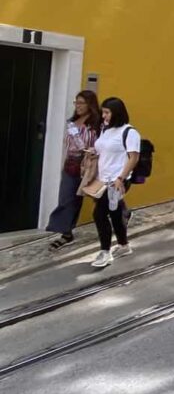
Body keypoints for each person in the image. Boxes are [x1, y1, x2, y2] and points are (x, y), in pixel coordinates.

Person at [46, 91, 102, 250]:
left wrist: (93, 151)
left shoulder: (97, 124)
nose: (77, 106)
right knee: (67, 198)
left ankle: (122, 213)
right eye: (76, 103)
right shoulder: (72, 123)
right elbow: (68, 146)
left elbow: (103, 144)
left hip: (89, 165)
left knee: (99, 197)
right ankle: (66, 233)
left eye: (81, 103)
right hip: (71, 165)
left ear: (90, 104)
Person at [89, 97, 141, 268]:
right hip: (103, 179)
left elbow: (134, 157)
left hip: (117, 181)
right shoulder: (107, 130)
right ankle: (124, 245)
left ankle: (105, 252)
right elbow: (104, 149)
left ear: (116, 113)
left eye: (107, 112)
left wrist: (121, 178)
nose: (103, 115)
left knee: (99, 214)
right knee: (116, 214)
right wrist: (93, 152)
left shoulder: (129, 132)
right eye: (103, 112)